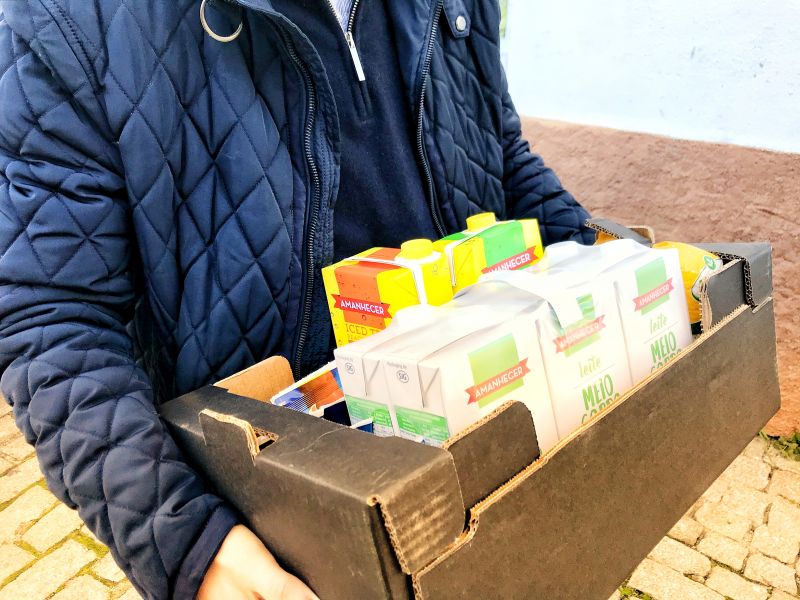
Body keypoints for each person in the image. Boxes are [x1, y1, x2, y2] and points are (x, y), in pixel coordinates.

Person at [0, 0, 593, 598]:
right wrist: (189, 544)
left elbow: (499, 155)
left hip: (494, 449)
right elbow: (50, 316)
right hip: (291, 538)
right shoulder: (72, 17)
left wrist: (611, 270)